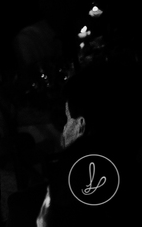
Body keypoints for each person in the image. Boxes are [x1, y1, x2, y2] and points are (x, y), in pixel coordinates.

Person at [35, 63, 133, 225]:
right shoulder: (127, 161)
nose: (64, 129)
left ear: (81, 125)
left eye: (67, 120)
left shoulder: (73, 171)